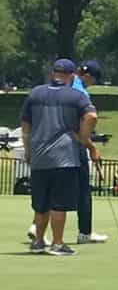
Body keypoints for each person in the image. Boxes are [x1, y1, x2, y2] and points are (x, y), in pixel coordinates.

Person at [19, 60, 97, 257]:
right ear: (71, 76)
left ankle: (38, 241)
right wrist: (83, 138)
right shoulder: (76, 95)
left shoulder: (35, 93)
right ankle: (58, 243)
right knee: (59, 203)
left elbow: (26, 124)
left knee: (40, 203)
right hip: (64, 156)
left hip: (39, 155)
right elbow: (91, 117)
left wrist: (28, 149)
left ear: (53, 73)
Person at [71, 60, 110, 244]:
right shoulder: (81, 92)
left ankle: (36, 227)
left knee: (54, 186)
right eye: (93, 80)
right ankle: (85, 233)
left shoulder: (66, 85)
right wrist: (91, 145)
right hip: (75, 144)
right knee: (83, 189)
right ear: (87, 76)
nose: (92, 83)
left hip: (55, 144)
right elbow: (86, 120)